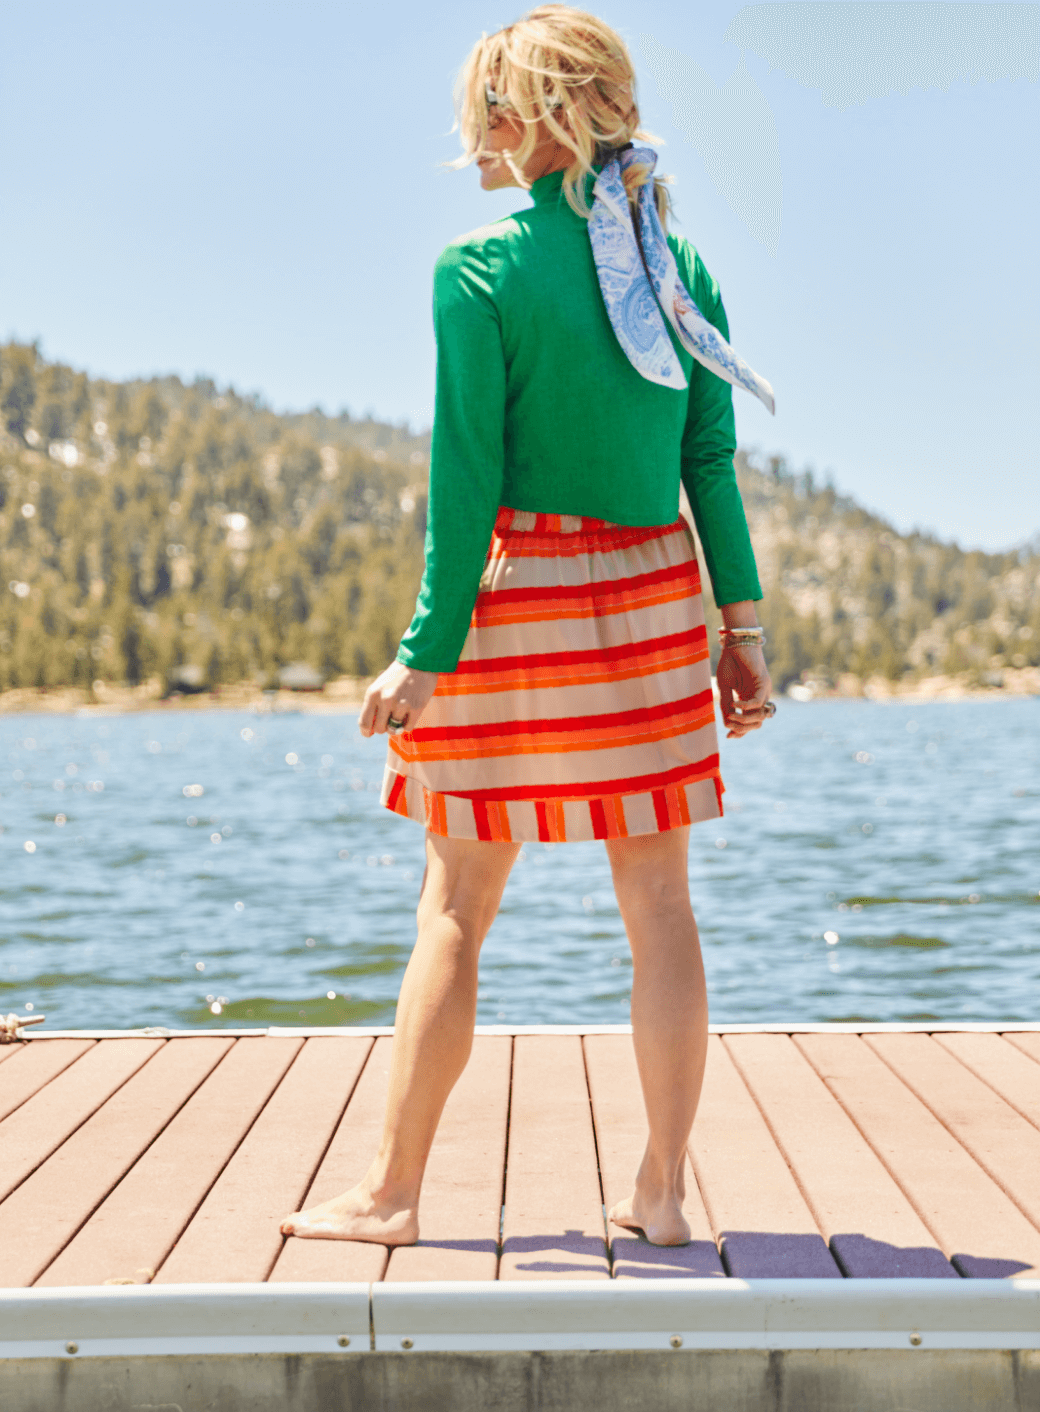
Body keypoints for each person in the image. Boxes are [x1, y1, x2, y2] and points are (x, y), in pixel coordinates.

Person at [282, 5, 774, 1250]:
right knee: (658, 901)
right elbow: (708, 466)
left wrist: (424, 652)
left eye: (488, 113)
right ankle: (660, 1194)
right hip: (656, 598)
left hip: (521, 607)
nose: (477, 136)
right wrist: (742, 632)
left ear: (537, 117)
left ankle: (392, 1197)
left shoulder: (478, 269)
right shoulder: (682, 270)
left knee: (454, 903)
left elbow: (466, 475)